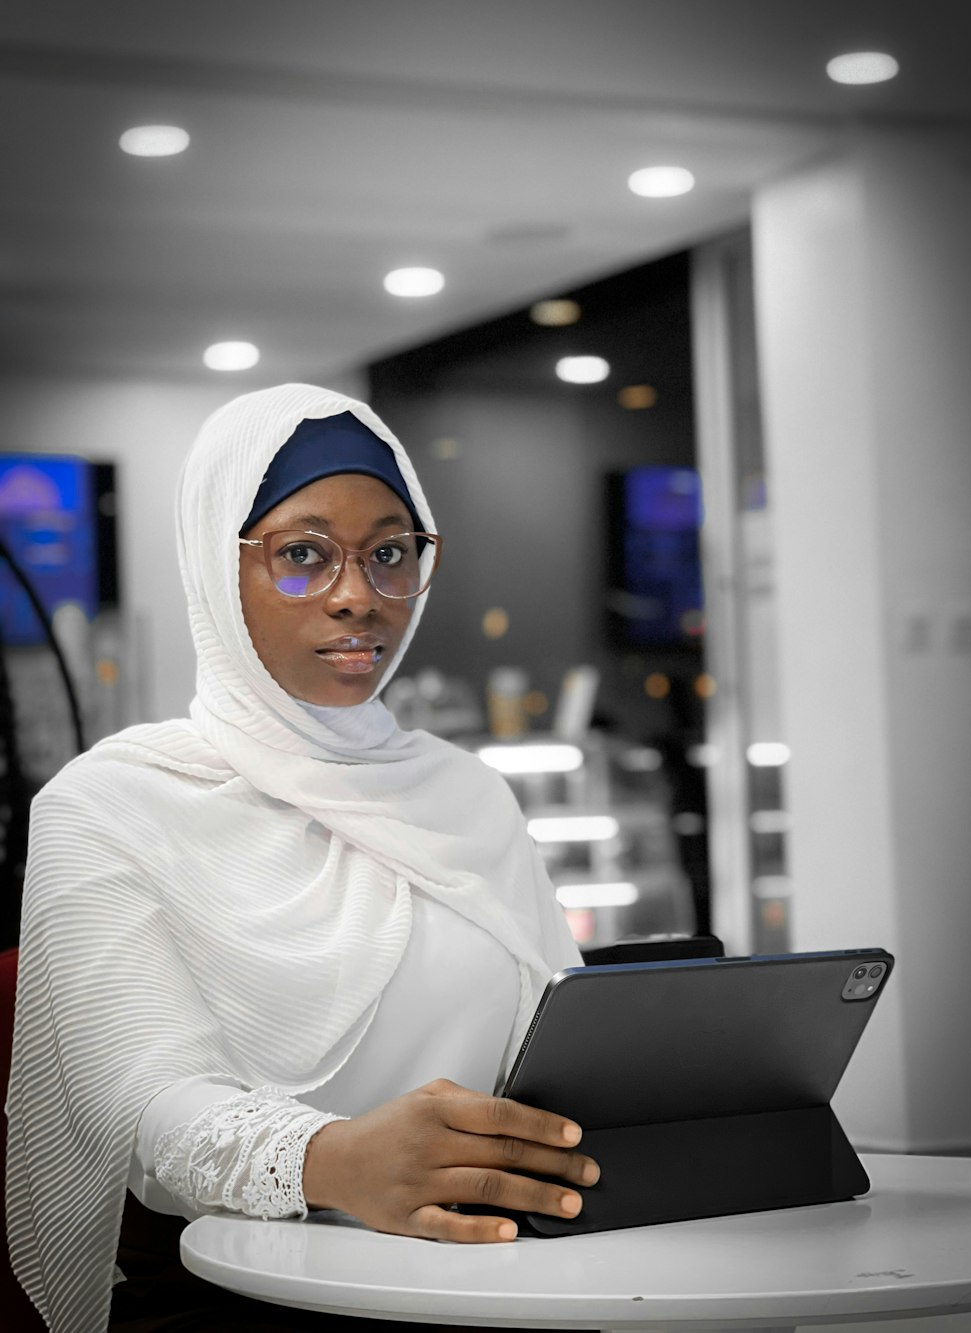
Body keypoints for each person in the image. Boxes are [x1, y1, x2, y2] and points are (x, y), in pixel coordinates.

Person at [6, 383, 598, 1333]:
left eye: (391, 553)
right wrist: (338, 1160)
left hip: (499, 1276)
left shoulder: (464, 794)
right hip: (248, 1293)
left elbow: (571, 1035)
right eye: (303, 555)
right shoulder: (109, 802)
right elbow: (146, 1107)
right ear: (217, 566)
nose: (358, 595)